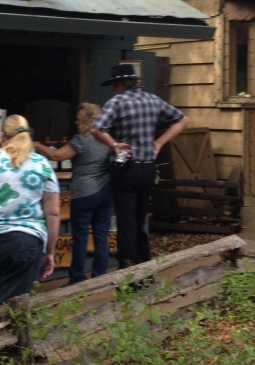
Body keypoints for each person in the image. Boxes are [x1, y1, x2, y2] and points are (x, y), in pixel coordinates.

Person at [0, 115, 60, 361]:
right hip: (23, 243)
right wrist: (49, 251)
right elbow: (54, 211)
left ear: (2, 137)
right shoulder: (41, 164)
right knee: (9, 311)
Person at [91, 64, 189, 268]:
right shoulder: (153, 99)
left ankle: (128, 276)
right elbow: (182, 120)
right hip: (147, 169)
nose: (113, 89)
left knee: (126, 224)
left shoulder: (117, 102)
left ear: (119, 84)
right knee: (140, 220)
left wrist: (115, 145)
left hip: (126, 169)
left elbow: (97, 129)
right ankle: (146, 272)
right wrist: (160, 142)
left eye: (113, 85)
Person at [34, 103, 113, 284]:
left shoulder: (81, 140)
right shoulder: (108, 139)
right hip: (106, 191)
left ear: (86, 120)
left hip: (84, 193)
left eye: (78, 119)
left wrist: (37, 144)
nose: (76, 122)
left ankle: (77, 277)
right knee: (102, 235)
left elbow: (57, 156)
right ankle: (99, 277)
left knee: (80, 236)